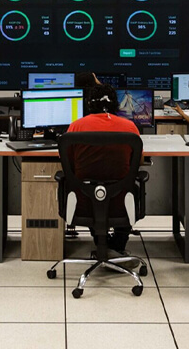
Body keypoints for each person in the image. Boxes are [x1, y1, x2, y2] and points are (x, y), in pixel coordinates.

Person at [65, 83, 141, 261]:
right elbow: (136, 162)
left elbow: (69, 163)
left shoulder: (75, 127)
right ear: (116, 104)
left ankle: (105, 245)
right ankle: (116, 247)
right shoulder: (130, 128)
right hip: (121, 201)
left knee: (91, 190)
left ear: (89, 104)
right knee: (132, 187)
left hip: (85, 200)